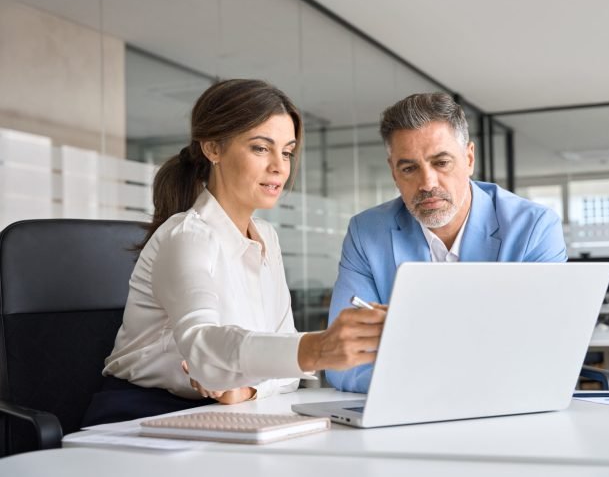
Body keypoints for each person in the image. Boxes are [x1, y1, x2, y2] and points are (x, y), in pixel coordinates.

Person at [83, 79, 386, 425]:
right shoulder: (187, 236)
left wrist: (247, 391)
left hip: (226, 411)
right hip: (139, 416)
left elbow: (286, 374)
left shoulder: (266, 237)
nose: (279, 167)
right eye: (261, 148)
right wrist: (314, 349)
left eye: (286, 152)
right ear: (213, 148)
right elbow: (201, 344)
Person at [326, 92, 567, 393]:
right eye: (409, 168)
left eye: (441, 162)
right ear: (393, 172)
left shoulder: (533, 228)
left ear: (468, 158)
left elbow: (545, 348)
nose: (427, 183)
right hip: (404, 415)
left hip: (506, 410)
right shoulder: (367, 233)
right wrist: (441, 388)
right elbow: (343, 360)